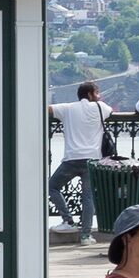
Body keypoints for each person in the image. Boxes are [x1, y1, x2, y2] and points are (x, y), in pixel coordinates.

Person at [50, 80, 111, 232]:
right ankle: (86, 235)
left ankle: (68, 221)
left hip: (71, 159)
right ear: (90, 94)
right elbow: (109, 111)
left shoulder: (67, 108)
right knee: (88, 197)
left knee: (52, 187)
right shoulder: (100, 107)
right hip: (92, 160)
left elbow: (48, 109)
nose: (99, 96)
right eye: (97, 93)